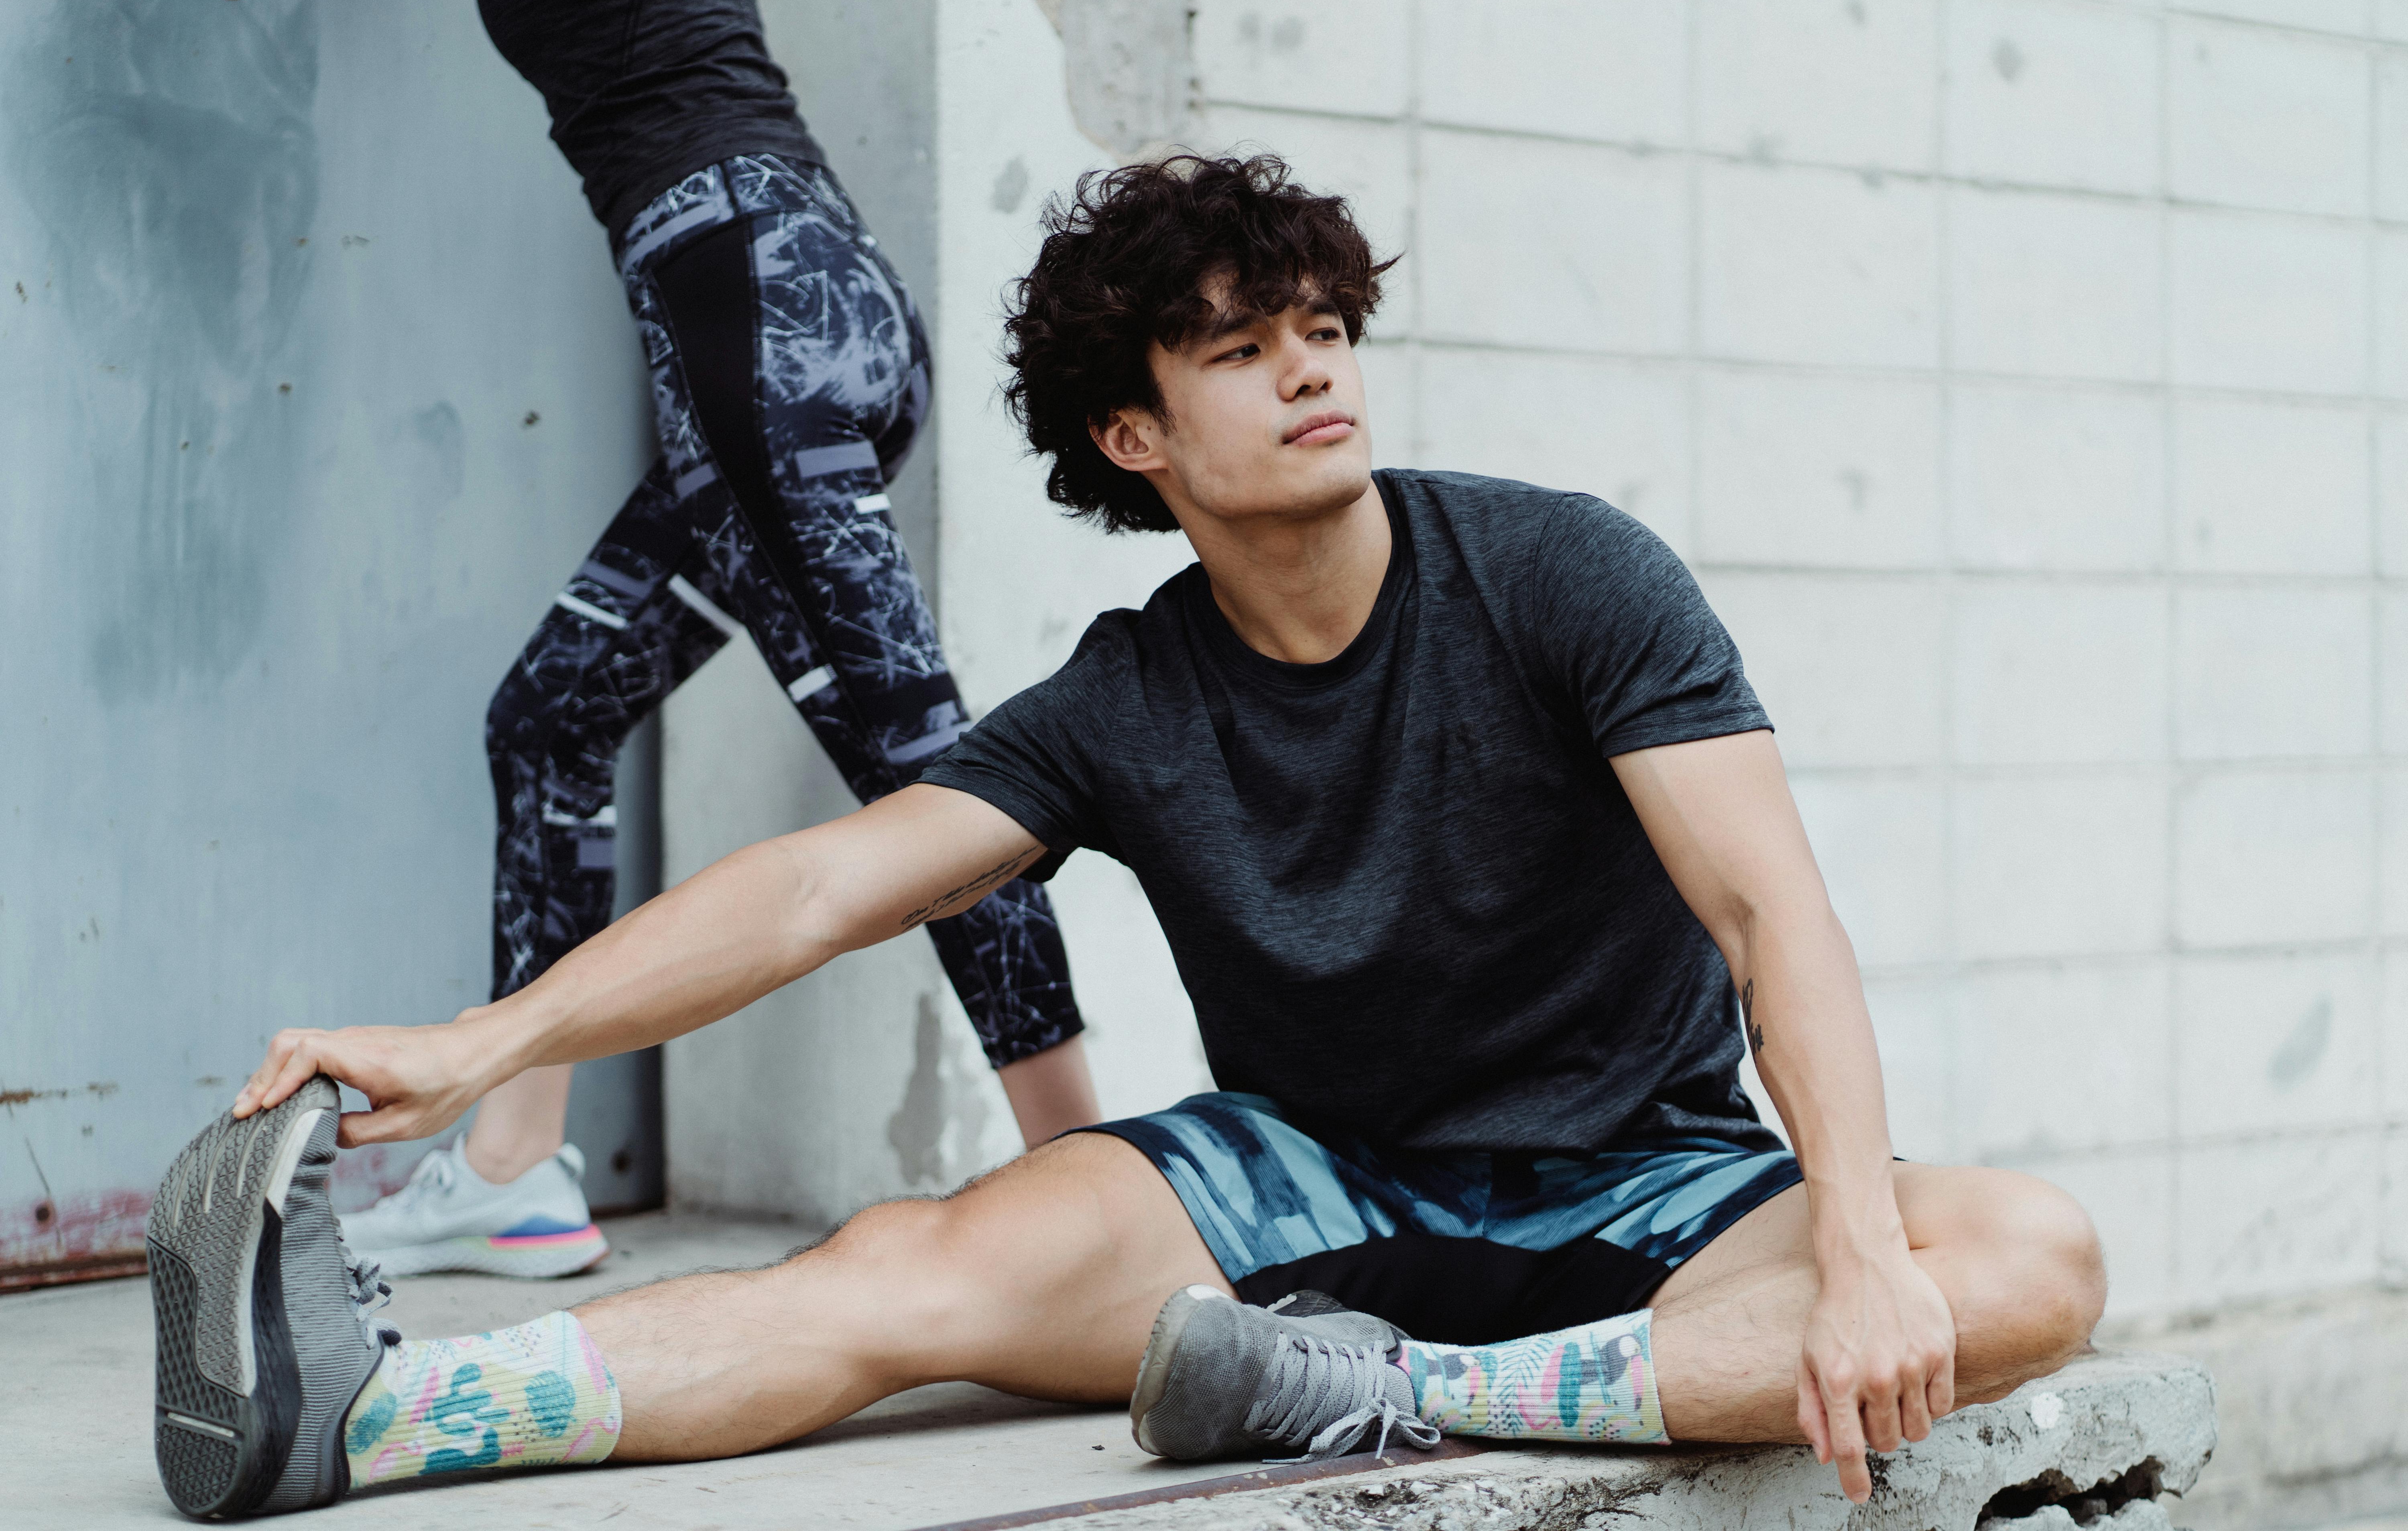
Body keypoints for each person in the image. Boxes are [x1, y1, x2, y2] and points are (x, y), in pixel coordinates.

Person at [147, 155, 2107, 1522]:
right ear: (1134, 435)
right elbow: (828, 885)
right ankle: (377, 1416)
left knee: (2024, 1257)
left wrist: (1851, 1240)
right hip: (1308, 1187)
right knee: (902, 1274)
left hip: (1651, 1193)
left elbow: (1775, 917)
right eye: (1245, 347)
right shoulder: (1127, 695)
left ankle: (1402, 1395)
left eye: (1326, 324)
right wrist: (485, 1049)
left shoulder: (1565, 574)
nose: (1314, 366)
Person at [146, 0, 1100, 1279]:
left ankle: (1105, 1205)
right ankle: (508, 1173)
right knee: (550, 721)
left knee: (937, 800)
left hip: (752, 311)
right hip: (787, 297)